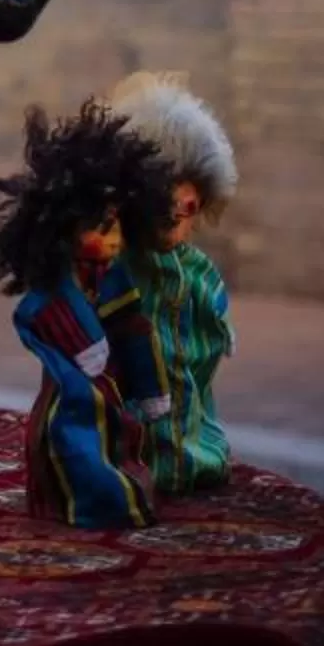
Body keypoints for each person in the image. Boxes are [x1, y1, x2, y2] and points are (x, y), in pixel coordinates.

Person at [0, 101, 176, 529]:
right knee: (74, 439)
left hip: (112, 383)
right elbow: (34, 314)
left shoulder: (113, 278)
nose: (113, 240)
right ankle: (94, 501)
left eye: (117, 226)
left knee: (120, 435)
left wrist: (150, 384)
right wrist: (89, 345)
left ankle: (116, 490)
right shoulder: (56, 287)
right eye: (101, 227)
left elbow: (134, 327)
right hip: (73, 390)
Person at [104, 70, 238, 495]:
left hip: (194, 437)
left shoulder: (194, 270)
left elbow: (204, 355)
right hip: (125, 438)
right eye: (164, 216)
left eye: (188, 214)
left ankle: (188, 453)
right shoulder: (115, 266)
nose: (178, 231)